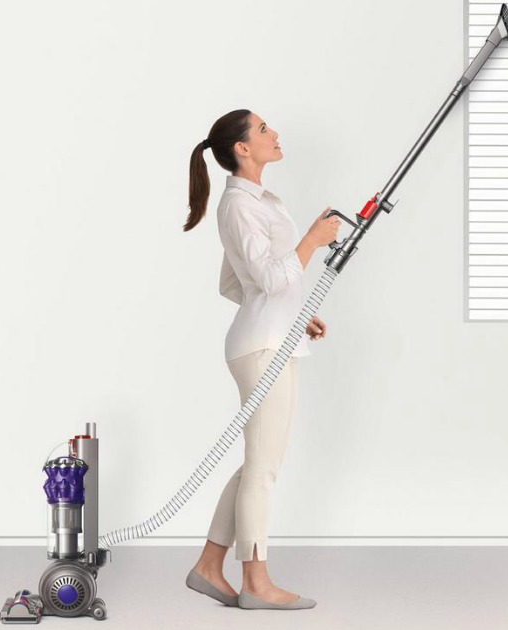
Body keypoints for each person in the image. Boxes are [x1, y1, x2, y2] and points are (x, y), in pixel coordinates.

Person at [180, 109, 340, 610]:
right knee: (264, 471)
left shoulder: (254, 200)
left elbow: (237, 283)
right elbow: (269, 279)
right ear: (242, 148)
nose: (275, 133)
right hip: (262, 346)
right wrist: (311, 241)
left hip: (272, 337)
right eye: (264, 129)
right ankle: (255, 582)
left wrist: (293, 312)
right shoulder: (238, 204)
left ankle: (209, 566)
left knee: (257, 464)